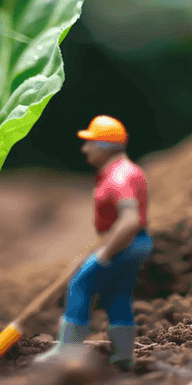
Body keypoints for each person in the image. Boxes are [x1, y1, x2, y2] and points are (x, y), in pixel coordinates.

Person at [36, 115, 152, 371]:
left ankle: (67, 352)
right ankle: (123, 356)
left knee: (80, 284)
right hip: (135, 242)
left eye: (90, 142)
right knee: (116, 296)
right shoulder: (123, 171)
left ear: (104, 145)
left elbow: (130, 219)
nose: (85, 148)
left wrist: (105, 253)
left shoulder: (120, 176)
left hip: (126, 244)